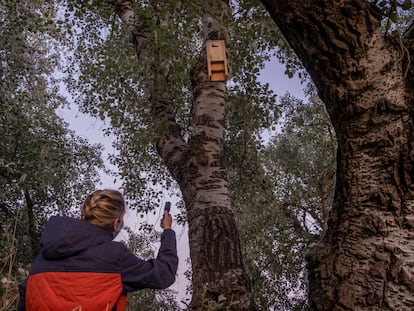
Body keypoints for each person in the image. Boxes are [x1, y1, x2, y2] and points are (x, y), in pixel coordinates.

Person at [18, 189, 178, 311]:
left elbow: (26, 296)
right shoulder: (115, 257)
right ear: (116, 223)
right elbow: (164, 273)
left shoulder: (43, 256)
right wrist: (168, 231)